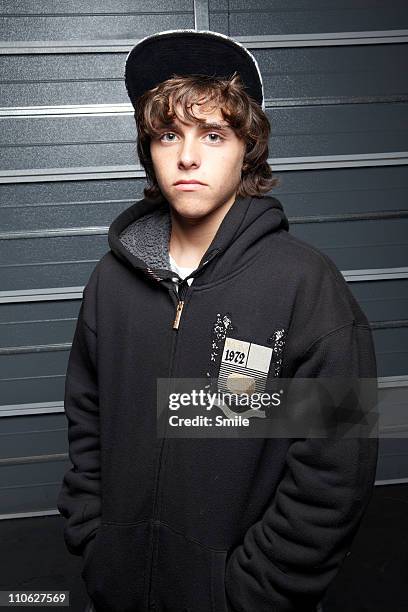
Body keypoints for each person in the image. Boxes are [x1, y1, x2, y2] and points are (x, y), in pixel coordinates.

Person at [57, 29, 378, 612]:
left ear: (246, 148)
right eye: (167, 134)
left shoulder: (303, 285)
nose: (187, 155)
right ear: (149, 150)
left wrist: (250, 591)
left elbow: (338, 460)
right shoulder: (111, 282)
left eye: (213, 134)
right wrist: (94, 541)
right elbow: (86, 423)